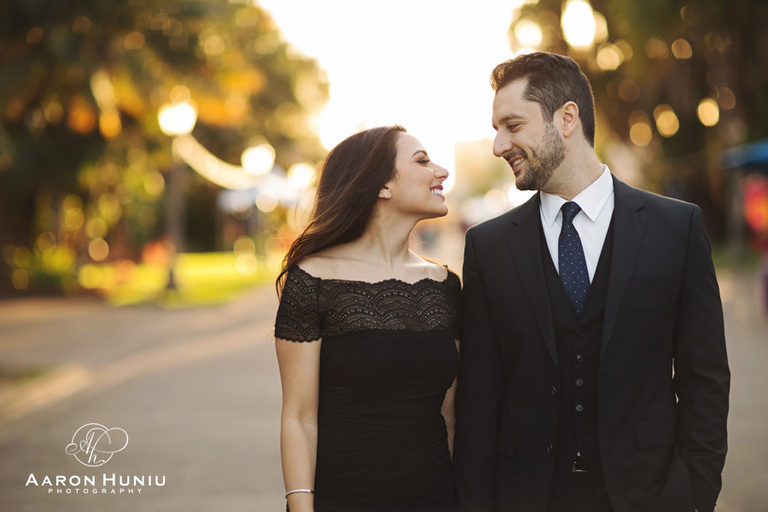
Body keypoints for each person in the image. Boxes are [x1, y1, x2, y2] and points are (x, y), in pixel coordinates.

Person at [453, 52, 730, 512]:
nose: (499, 146)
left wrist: (696, 491)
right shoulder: (488, 246)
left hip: (649, 495)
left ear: (566, 118)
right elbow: (480, 400)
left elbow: (706, 378)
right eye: (497, 129)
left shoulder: (675, 227)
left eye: (513, 125)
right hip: (525, 497)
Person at [274, 125, 460, 512]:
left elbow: (451, 411)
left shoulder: (445, 285)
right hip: (343, 499)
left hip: (436, 498)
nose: (441, 171)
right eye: (423, 161)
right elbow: (298, 416)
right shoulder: (313, 279)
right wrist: (301, 507)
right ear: (382, 186)